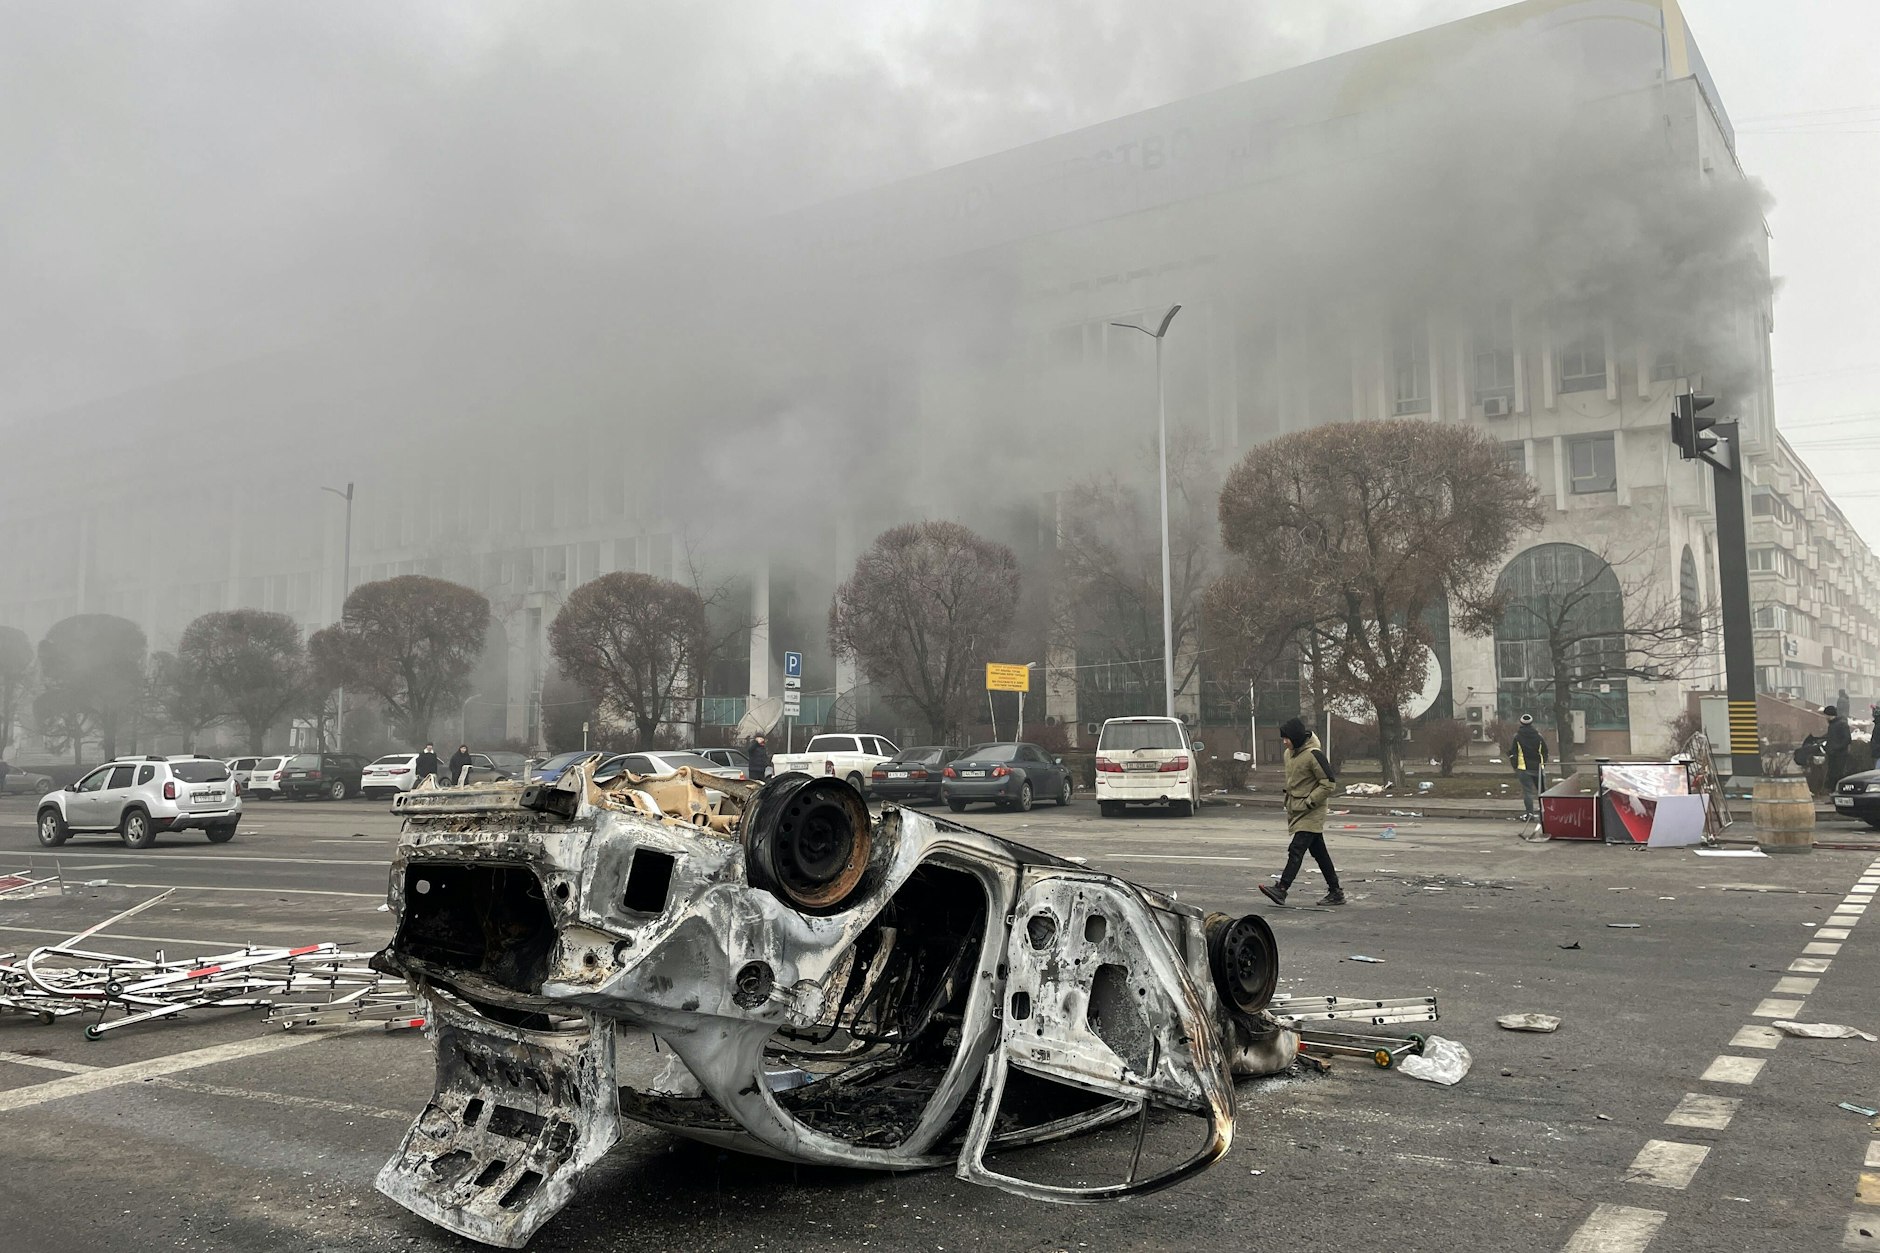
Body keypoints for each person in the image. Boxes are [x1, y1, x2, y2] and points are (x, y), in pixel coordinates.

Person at [1259, 717, 1344, 907]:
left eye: (1287, 738)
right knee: (1320, 853)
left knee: (1296, 849)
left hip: (1311, 810)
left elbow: (1329, 783)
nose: (1284, 742)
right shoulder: (1289, 754)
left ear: (1296, 738)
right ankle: (1336, 891)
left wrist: (1310, 802)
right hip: (1297, 809)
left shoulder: (1314, 754)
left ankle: (1282, 889)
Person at [1508, 714, 1550, 820]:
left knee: (1528, 792)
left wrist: (1515, 766)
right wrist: (1543, 763)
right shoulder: (1538, 736)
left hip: (1523, 768)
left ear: (1521, 723)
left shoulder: (1517, 737)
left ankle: (1529, 814)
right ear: (1532, 723)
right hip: (1538, 768)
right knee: (1542, 792)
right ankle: (1546, 814)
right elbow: (1545, 751)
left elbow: (1513, 753)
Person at [1823, 706, 1852, 791]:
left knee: (1838, 775)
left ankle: (1838, 792)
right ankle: (1833, 793)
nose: (1825, 717)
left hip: (1840, 755)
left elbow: (1847, 739)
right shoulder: (1832, 725)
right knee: (1832, 775)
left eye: (1826, 715)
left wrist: (1836, 748)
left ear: (1830, 715)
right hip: (1832, 754)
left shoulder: (1841, 724)